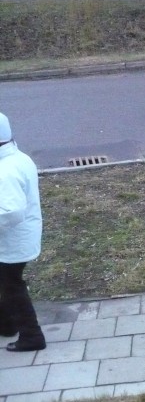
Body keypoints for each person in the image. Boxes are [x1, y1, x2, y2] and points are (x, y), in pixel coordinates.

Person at [0, 112, 47, 352]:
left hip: (12, 242)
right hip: (21, 236)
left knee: (12, 286)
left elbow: (10, 212)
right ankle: (7, 325)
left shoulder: (5, 171)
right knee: (7, 283)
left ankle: (31, 336)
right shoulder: (18, 157)